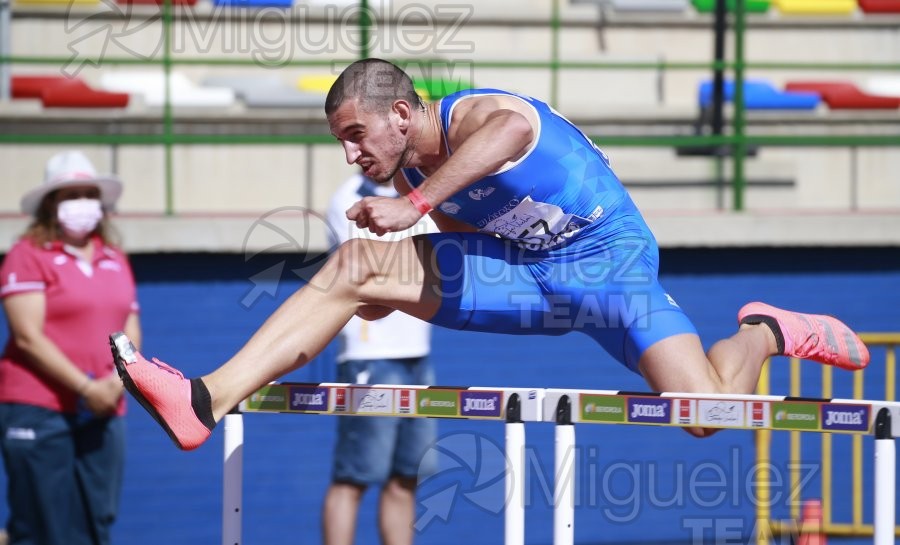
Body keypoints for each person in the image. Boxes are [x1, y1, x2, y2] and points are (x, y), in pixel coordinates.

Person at [109, 58, 869, 453]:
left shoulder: (475, 115)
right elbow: (479, 237)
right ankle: (205, 397)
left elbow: (509, 131)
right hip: (534, 281)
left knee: (708, 418)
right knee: (355, 269)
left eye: (354, 132)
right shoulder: (409, 168)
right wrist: (388, 286)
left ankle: (764, 331)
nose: (348, 150)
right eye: (339, 138)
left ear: (401, 114)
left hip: (611, 270)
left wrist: (412, 207)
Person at [0, 150, 141, 545]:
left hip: (106, 407)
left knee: (97, 521)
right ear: (50, 204)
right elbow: (27, 336)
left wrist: (116, 382)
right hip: (40, 408)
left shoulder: (115, 257)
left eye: (88, 193)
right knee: (43, 525)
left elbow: (130, 326)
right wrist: (85, 387)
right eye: (70, 194)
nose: (81, 202)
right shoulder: (26, 256)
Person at [321, 172, 437, 545]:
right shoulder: (347, 200)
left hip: (418, 356)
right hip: (369, 357)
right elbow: (366, 280)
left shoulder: (423, 194)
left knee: (406, 478)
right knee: (353, 478)